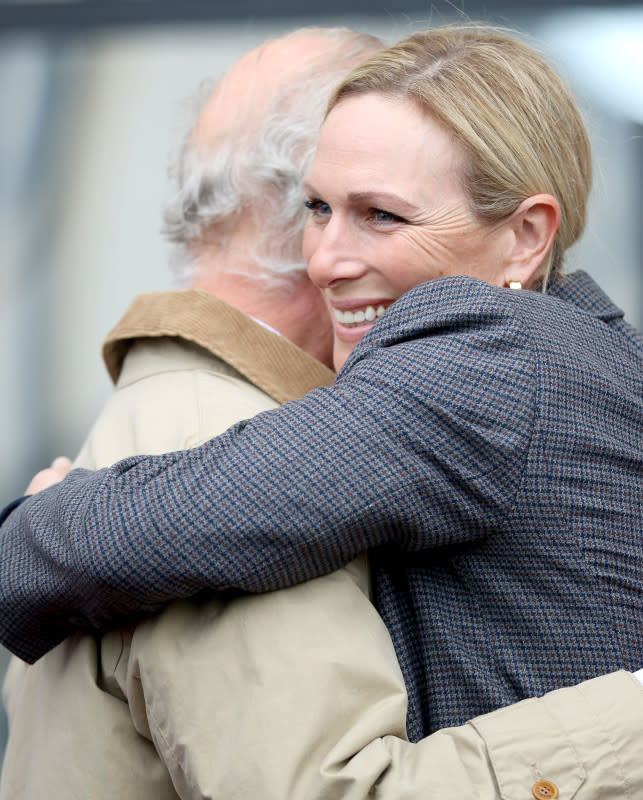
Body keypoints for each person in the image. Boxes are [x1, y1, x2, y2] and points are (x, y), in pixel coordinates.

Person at [1, 23, 642, 798]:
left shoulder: (486, 355)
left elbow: (194, 513)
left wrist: (34, 524)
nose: (325, 259)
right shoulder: (584, 355)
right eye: (316, 207)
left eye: (381, 215)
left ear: (525, 237)